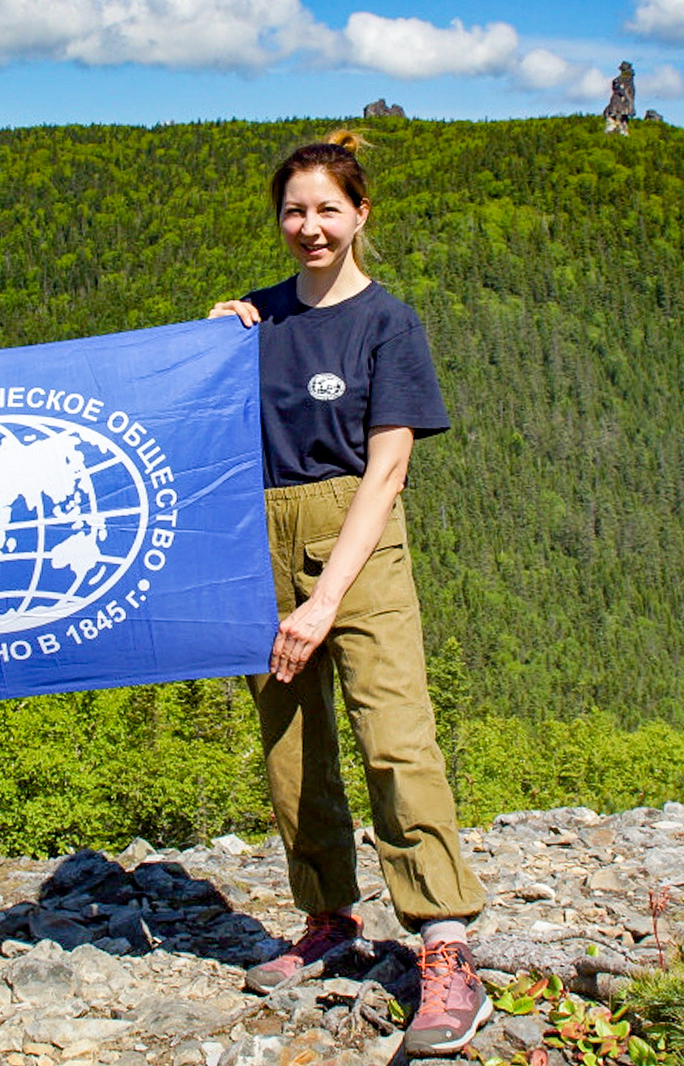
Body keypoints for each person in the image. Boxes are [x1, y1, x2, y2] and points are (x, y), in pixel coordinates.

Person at [208, 134, 490, 1056]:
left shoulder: (387, 323)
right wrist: (208, 341)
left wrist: (325, 599)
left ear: (362, 214)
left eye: (329, 209)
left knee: (394, 735)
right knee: (290, 746)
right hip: (261, 537)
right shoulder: (255, 318)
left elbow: (388, 471)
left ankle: (445, 945)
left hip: (357, 541)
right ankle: (329, 919)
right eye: (295, 211)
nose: (310, 227)